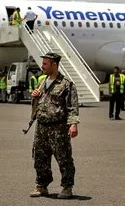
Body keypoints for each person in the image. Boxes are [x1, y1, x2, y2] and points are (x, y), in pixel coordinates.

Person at [29, 52, 80, 199]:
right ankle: (41, 186)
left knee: (63, 158)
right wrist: (35, 96)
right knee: (39, 157)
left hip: (58, 127)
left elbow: (72, 106)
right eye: (43, 63)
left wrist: (73, 124)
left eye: (45, 64)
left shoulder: (66, 84)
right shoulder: (42, 81)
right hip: (41, 126)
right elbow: (40, 102)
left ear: (54, 65)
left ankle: (67, 187)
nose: (42, 66)